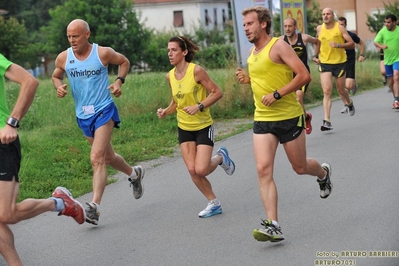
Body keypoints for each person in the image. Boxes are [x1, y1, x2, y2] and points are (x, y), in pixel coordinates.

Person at [235, 6, 332, 243]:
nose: (246, 28)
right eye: (244, 24)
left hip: (288, 116)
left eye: (250, 24)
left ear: (263, 24)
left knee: (299, 167)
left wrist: (278, 94)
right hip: (263, 118)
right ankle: (274, 225)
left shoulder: (279, 46)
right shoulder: (252, 52)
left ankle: (322, 173)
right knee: (263, 170)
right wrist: (248, 80)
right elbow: (264, 77)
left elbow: (303, 75)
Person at [52, 19, 145, 226]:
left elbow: (124, 62)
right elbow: (56, 76)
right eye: (69, 36)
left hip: (104, 110)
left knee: (97, 158)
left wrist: (119, 81)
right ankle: (134, 173)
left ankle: (94, 208)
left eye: (75, 36)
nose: (72, 40)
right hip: (83, 116)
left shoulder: (102, 53)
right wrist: (58, 86)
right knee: (109, 157)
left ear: (87, 34)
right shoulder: (64, 57)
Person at [0, 53, 85, 265]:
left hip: (2, 143)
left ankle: (59, 203)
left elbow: (30, 81)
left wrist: (12, 123)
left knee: (7, 214)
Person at [157, 36, 235, 218]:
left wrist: (199, 106)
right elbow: (176, 102)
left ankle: (221, 158)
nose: (170, 53)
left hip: (202, 126)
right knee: (192, 170)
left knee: (201, 169)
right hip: (184, 127)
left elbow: (217, 93)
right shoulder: (170, 76)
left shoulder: (197, 71)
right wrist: (165, 112)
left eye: (174, 50)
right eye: (168, 50)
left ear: (184, 52)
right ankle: (213, 203)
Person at [313, 8, 355, 131]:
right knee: (327, 91)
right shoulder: (319, 28)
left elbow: (351, 44)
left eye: (328, 14)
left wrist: (338, 45)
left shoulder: (340, 28)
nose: (325, 16)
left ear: (333, 16)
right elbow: (318, 43)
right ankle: (327, 121)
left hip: (340, 63)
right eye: (323, 14)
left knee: (341, 90)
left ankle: (349, 103)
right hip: (325, 63)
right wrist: (315, 56)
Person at [279, 17, 320, 134]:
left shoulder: (304, 38)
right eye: (285, 26)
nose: (287, 29)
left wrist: (315, 56)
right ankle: (306, 117)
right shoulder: (281, 40)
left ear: (295, 27)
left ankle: (299, 125)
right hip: (288, 76)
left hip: (302, 74)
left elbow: (317, 42)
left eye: (290, 26)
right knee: (291, 101)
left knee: (298, 97)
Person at [374, 14, 399, 109]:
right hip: (388, 59)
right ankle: (395, 98)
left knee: (396, 77)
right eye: (386, 22)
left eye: (389, 22)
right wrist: (381, 46)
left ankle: (397, 100)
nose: (386, 24)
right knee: (391, 81)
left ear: (394, 22)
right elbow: (376, 41)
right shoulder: (383, 31)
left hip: (398, 58)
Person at [337, 16, 365, 98]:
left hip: (350, 61)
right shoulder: (335, 36)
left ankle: (353, 84)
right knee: (341, 85)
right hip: (338, 61)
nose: (340, 26)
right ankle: (347, 103)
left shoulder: (351, 35)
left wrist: (361, 55)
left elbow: (362, 43)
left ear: (346, 25)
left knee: (348, 86)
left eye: (342, 24)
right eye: (339, 25)